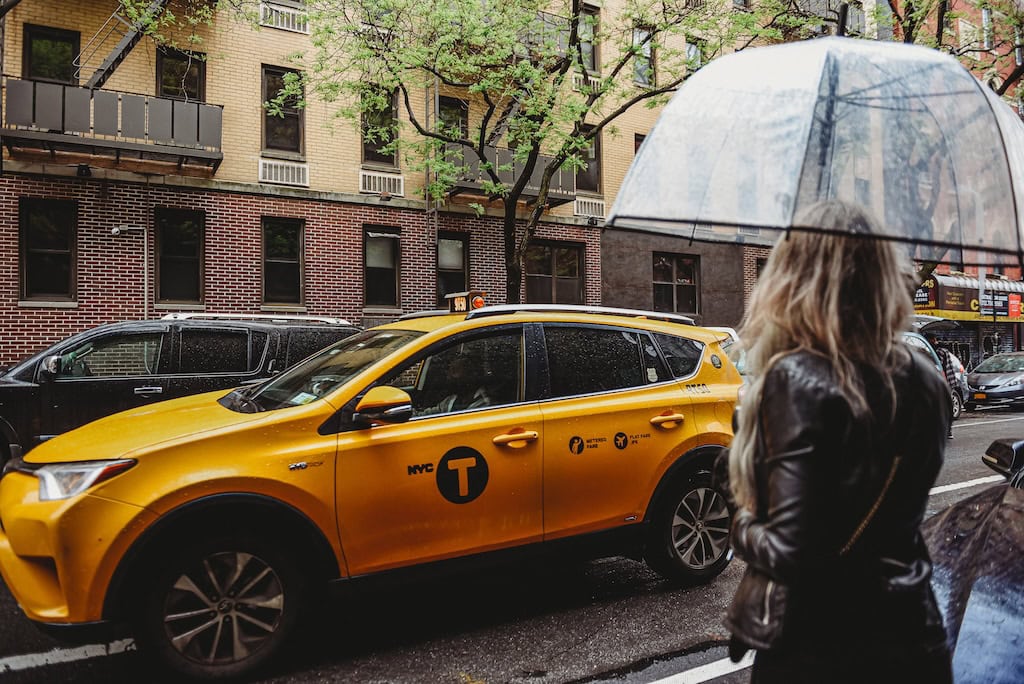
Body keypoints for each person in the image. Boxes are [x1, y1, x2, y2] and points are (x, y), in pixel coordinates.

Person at [723, 200, 952, 683]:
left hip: (820, 650)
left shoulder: (796, 377)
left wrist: (740, 517)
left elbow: (791, 552)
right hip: (914, 636)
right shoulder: (928, 381)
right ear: (883, 281)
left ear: (793, 278)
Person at [926, 332, 959, 438]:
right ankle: (947, 430)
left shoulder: (939, 351)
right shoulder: (944, 350)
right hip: (949, 382)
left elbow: (938, 366)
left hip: (944, 382)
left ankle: (946, 430)